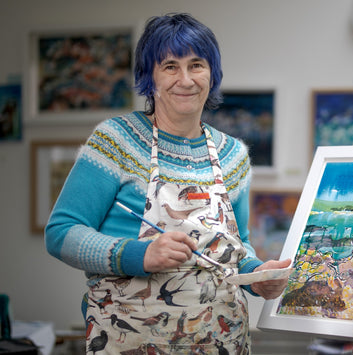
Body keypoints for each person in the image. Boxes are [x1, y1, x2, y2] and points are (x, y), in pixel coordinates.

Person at [45, 12, 291, 354]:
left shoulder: (233, 155)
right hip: (130, 341)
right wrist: (137, 254)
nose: (186, 79)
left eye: (196, 65)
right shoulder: (115, 141)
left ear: (212, 74)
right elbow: (61, 232)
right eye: (170, 66)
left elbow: (238, 246)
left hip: (223, 341)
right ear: (150, 77)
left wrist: (257, 276)